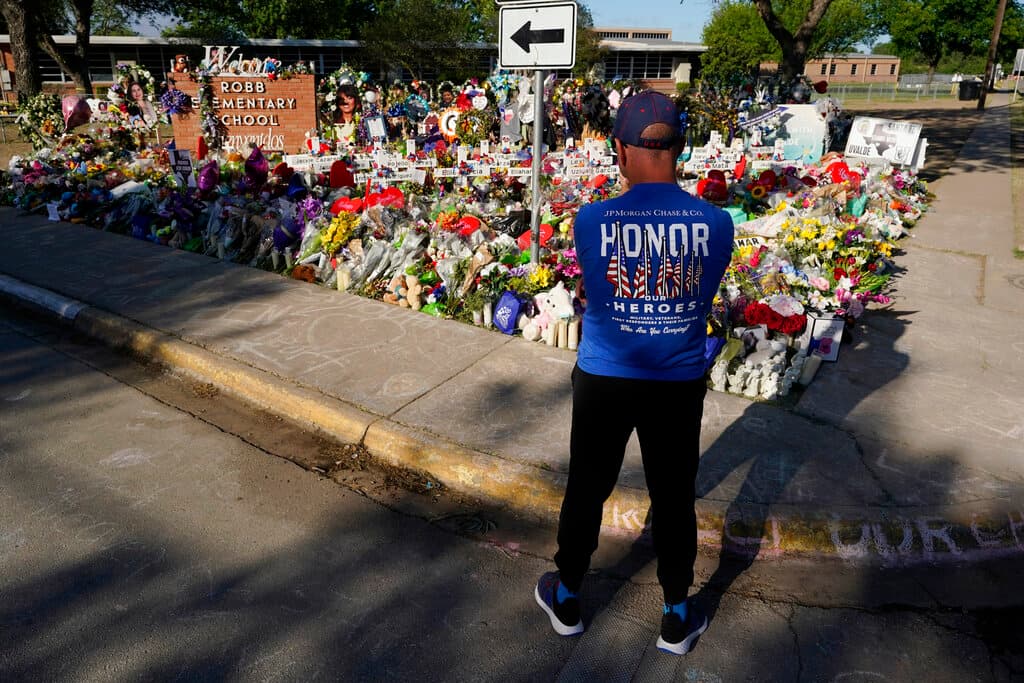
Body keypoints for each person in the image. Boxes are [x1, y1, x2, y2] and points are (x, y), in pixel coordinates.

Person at [533, 91, 734, 656]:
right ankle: (676, 614)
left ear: (620, 152)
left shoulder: (592, 220)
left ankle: (568, 596)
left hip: (605, 378)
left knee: (587, 486)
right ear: (681, 147)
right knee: (673, 496)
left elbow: (599, 289)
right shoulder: (717, 224)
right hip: (676, 382)